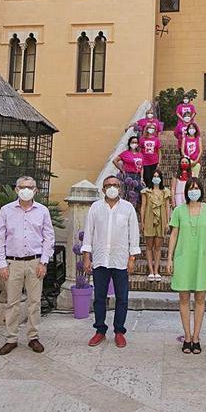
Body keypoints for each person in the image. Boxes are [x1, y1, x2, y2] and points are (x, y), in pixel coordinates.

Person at [0, 176, 55, 356]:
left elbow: (48, 237)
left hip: (35, 262)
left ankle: (33, 337)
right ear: (16, 190)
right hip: (13, 263)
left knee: (34, 302)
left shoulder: (42, 211)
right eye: (22, 187)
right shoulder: (6, 210)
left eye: (30, 187)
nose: (26, 190)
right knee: (12, 302)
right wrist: (2, 263)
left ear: (36, 190)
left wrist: (44, 261)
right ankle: (11, 338)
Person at [82, 175, 141, 348]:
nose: (112, 188)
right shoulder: (95, 208)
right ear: (103, 189)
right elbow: (88, 233)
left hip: (120, 259)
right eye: (108, 185)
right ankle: (100, 330)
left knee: (122, 298)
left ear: (120, 187)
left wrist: (132, 258)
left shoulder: (128, 208)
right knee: (99, 297)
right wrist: (86, 256)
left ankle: (119, 331)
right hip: (100, 259)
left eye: (115, 185)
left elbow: (134, 235)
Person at [167, 178, 206, 354]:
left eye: (196, 188)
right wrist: (169, 259)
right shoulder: (179, 211)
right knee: (183, 298)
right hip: (183, 259)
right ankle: (187, 336)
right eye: (191, 188)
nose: (194, 191)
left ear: (202, 190)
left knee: (200, 299)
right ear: (186, 191)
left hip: (202, 259)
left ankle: (196, 337)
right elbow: (174, 235)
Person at [140, 170, 171, 281]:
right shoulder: (146, 191)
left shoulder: (165, 191)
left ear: (161, 178)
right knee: (149, 246)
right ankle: (151, 271)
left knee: (158, 247)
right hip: (149, 218)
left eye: (158, 176)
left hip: (161, 219)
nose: (156, 178)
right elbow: (143, 206)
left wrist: (167, 221)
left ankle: (156, 271)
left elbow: (168, 207)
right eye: (154, 176)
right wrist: (142, 222)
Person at [113, 136, 145, 200]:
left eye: (136, 142)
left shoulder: (140, 154)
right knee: (127, 193)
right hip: (129, 175)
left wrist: (141, 178)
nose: (134, 144)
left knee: (140, 192)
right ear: (129, 143)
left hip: (138, 176)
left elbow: (142, 167)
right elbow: (115, 161)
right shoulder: (125, 153)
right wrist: (122, 170)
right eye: (133, 142)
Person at [139, 123, 162, 188]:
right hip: (145, 162)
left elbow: (159, 152)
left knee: (153, 178)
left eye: (153, 128)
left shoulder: (156, 139)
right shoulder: (142, 139)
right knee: (147, 177)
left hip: (154, 161)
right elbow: (139, 151)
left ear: (155, 130)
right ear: (146, 129)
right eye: (150, 128)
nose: (151, 129)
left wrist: (159, 162)